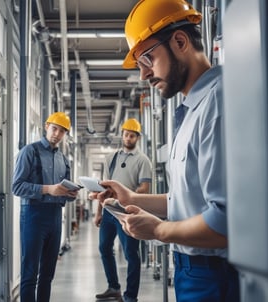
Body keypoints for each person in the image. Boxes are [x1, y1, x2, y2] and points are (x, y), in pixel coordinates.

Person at [97, 0, 240, 301]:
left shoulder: (218, 104)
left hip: (215, 274)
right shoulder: (189, 111)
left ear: (179, 41)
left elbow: (227, 220)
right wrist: (134, 199)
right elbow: (189, 201)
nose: (143, 75)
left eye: (148, 59)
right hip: (192, 270)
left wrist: (160, 231)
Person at [12, 112, 79, 302]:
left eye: (62, 131)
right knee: (30, 272)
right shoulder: (29, 152)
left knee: (48, 274)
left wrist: (71, 193)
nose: (57, 134)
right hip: (33, 215)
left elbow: (63, 191)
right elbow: (17, 187)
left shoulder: (63, 160)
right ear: (46, 126)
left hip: (55, 216)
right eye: (54, 128)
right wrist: (49, 189)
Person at [95, 118, 152, 302]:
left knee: (131, 255)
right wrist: (98, 212)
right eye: (126, 134)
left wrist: (125, 196)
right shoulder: (111, 158)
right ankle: (114, 287)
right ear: (122, 135)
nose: (128, 138)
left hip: (128, 213)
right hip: (109, 211)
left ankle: (130, 296)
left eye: (132, 135)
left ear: (137, 137)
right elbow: (104, 188)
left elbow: (144, 189)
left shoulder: (143, 160)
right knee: (104, 248)